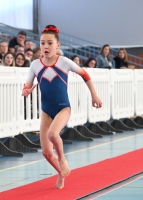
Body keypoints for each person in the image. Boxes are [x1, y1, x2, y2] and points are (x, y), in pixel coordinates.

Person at [21, 25, 102, 189]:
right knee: (46, 152)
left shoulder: (64, 62)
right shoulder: (35, 65)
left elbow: (85, 74)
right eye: (43, 43)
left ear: (57, 45)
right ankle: (61, 173)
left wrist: (94, 95)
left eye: (50, 43)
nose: (45, 47)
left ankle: (63, 159)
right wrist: (26, 90)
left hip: (63, 108)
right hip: (46, 111)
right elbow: (27, 83)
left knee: (52, 134)